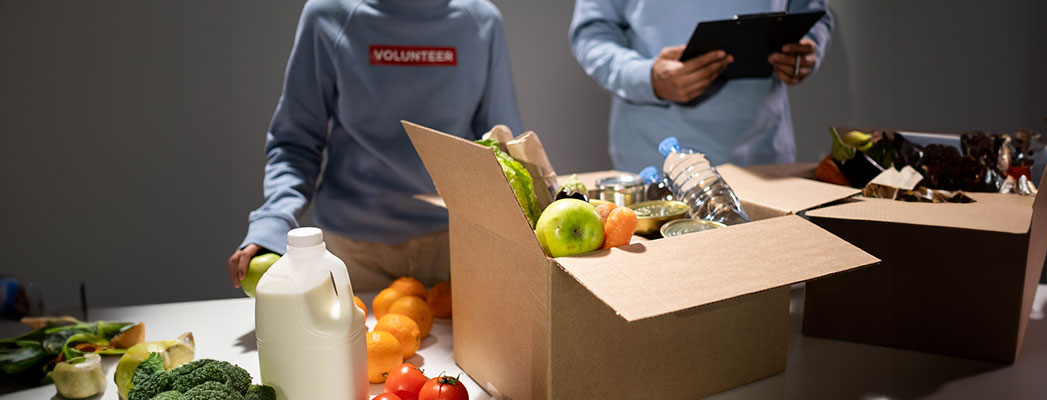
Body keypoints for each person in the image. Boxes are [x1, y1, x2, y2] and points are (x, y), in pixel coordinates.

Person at [228, 0, 523, 292]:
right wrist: (273, 222)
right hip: (352, 255)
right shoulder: (327, 15)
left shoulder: (481, 21)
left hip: (453, 247)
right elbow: (297, 141)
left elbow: (502, 147)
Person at [569, 0, 833, 172]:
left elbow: (814, 15)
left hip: (763, 154)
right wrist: (647, 77)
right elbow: (592, 34)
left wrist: (809, 48)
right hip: (656, 158)